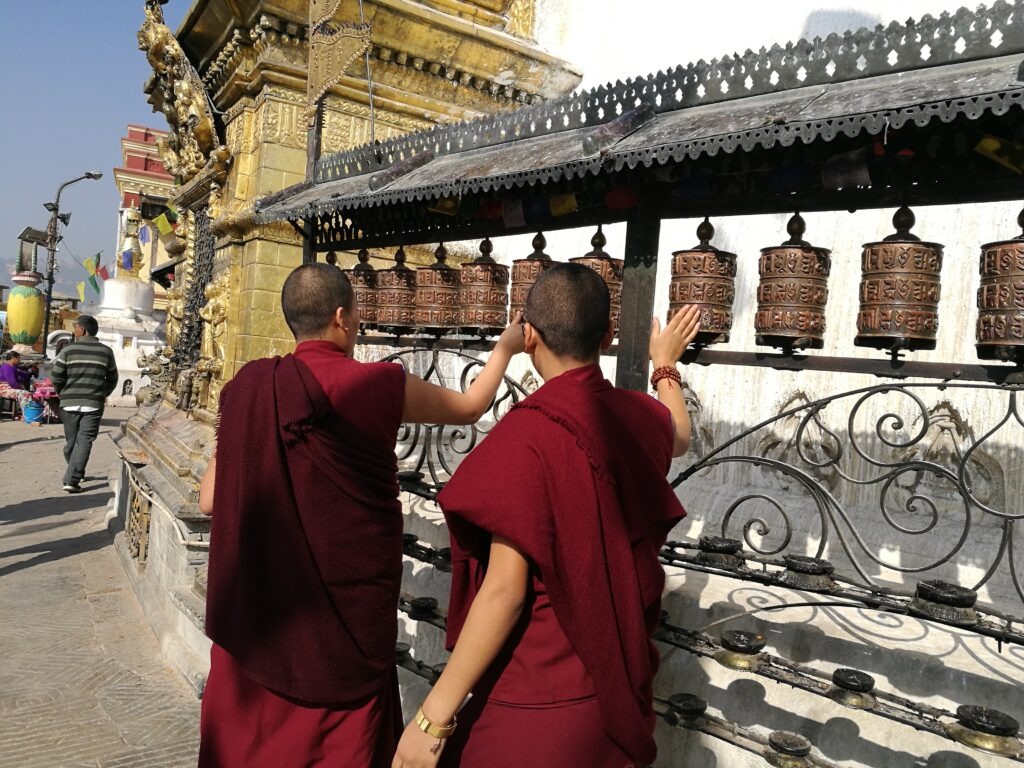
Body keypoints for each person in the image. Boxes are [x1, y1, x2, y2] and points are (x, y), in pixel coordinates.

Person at [196, 263, 525, 768]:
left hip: (255, 634)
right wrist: (503, 348)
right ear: (342, 317)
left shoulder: (249, 389)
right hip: (339, 637)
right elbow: (469, 407)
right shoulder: (376, 386)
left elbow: (209, 500)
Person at [393, 264, 700, 768]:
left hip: (532, 697)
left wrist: (432, 718)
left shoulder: (526, 436)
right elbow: (680, 433)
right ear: (606, 337)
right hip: (611, 699)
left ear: (530, 334)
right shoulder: (639, 417)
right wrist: (663, 364)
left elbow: (504, 591)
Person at [50, 315, 118, 492]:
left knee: (74, 442)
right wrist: (102, 394)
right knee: (81, 442)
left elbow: (56, 376)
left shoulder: (68, 350)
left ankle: (71, 479)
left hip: (69, 402)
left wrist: (62, 393)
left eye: (76, 327)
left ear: (82, 330)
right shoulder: (106, 351)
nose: (74, 330)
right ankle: (76, 470)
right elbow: (113, 378)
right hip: (93, 404)